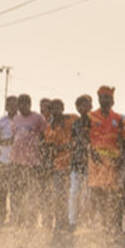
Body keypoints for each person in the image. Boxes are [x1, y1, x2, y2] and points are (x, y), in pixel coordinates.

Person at [88, 86, 125, 232]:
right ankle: (101, 225)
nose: (105, 100)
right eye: (102, 97)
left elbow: (123, 142)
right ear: (98, 99)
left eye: (108, 97)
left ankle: (115, 226)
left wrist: (121, 159)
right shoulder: (91, 116)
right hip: (96, 161)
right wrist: (92, 153)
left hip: (113, 163)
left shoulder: (119, 119)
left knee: (115, 195)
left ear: (113, 100)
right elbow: (86, 139)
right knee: (98, 194)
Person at [10, 94, 47, 227]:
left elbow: (44, 136)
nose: (22, 106)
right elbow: (15, 136)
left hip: (32, 161)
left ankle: (32, 220)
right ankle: (19, 219)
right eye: (20, 104)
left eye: (25, 104)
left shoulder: (38, 118)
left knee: (32, 191)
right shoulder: (16, 118)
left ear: (30, 105)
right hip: (17, 160)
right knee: (18, 191)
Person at [42, 99, 74, 231]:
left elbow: (74, 141)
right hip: (57, 166)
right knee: (59, 195)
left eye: (58, 107)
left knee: (71, 195)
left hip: (72, 165)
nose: (56, 111)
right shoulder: (49, 128)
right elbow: (50, 148)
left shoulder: (70, 120)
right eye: (53, 108)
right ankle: (60, 222)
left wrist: (61, 147)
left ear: (63, 108)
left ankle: (70, 222)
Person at [69, 94, 93, 231]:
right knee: (74, 193)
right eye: (80, 105)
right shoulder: (76, 124)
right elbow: (73, 142)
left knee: (86, 195)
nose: (83, 107)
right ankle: (72, 222)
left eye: (86, 104)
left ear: (91, 106)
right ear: (77, 108)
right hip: (76, 163)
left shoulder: (95, 123)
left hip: (90, 163)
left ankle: (86, 222)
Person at [0, 96, 17, 225]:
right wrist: (10, 141)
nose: (13, 108)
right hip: (4, 161)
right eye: (10, 105)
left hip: (18, 161)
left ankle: (14, 218)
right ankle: (1, 217)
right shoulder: (1, 121)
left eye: (15, 105)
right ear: (6, 107)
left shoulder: (22, 120)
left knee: (16, 191)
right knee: (2, 191)